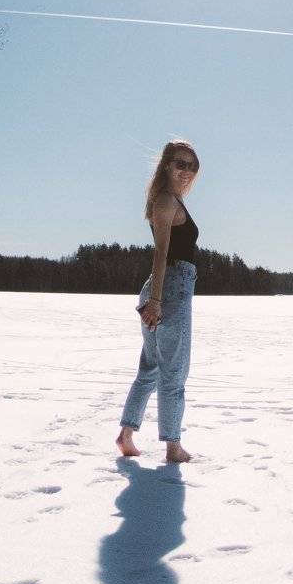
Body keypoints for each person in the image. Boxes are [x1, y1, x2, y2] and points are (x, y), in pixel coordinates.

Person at [115, 140, 200, 463]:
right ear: (166, 165)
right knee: (173, 373)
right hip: (170, 292)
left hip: (165, 291)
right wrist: (156, 300)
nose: (186, 171)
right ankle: (173, 446)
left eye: (191, 165)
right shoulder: (166, 200)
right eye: (180, 164)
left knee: (150, 370)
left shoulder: (170, 199)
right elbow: (161, 253)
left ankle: (126, 435)